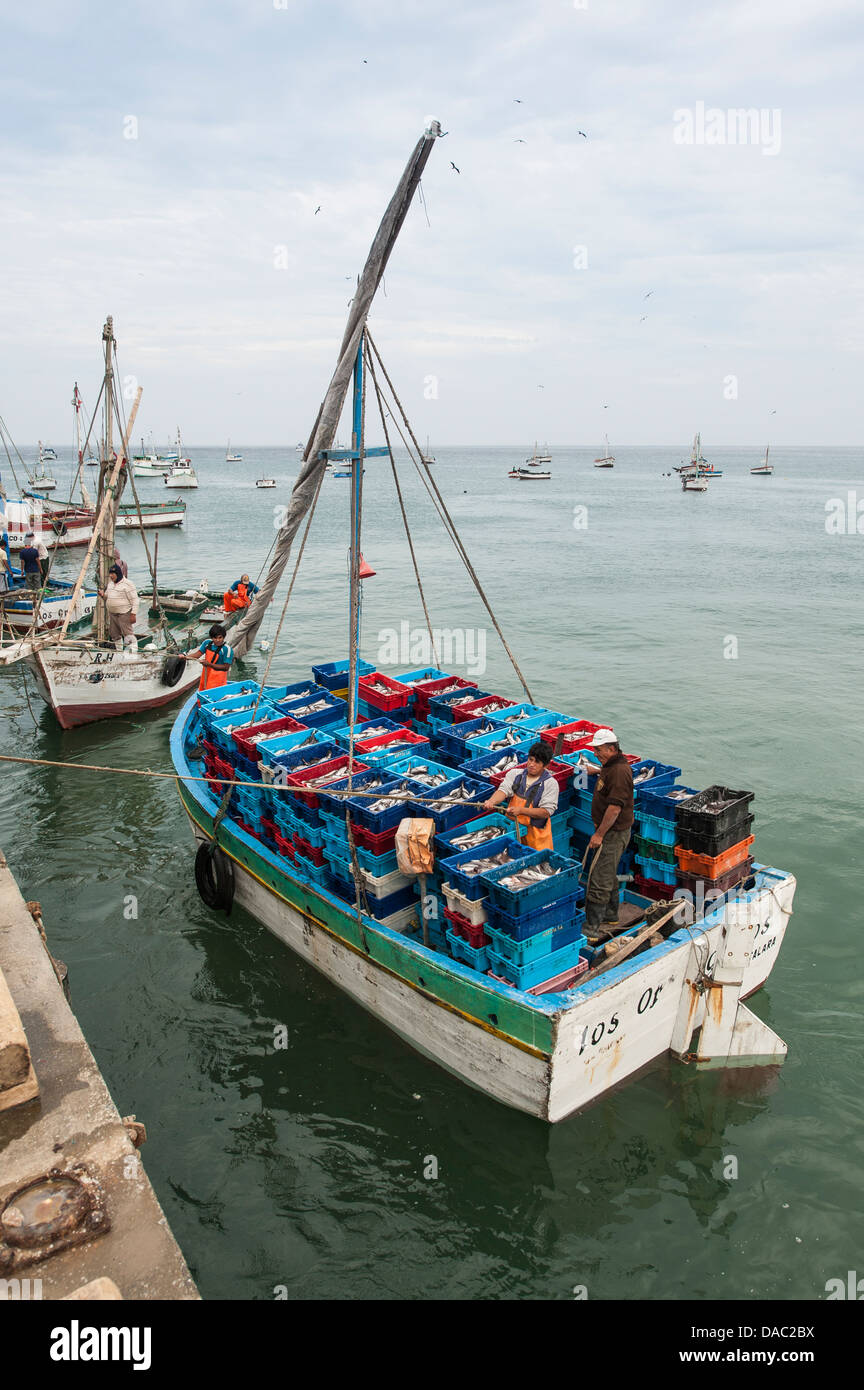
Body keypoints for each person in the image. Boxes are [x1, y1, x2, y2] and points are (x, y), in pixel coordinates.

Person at [583, 728, 634, 938]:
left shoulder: (620, 771)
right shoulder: (610, 766)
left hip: (613, 834)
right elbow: (608, 777)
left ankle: (591, 929)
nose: (596, 753)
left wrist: (599, 835)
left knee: (599, 878)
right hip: (610, 832)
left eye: (599, 750)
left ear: (612, 748)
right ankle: (611, 915)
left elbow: (614, 809)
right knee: (608, 872)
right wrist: (596, 771)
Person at [481, 740, 558, 851]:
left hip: (536, 835)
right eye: (530, 759)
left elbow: (546, 812)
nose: (531, 764)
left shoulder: (551, 784)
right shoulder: (515, 774)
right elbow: (503, 790)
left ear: (546, 765)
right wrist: (492, 801)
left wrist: (521, 811)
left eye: (537, 762)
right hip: (513, 829)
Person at [181, 623, 235, 693]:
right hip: (206, 672)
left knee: (214, 693)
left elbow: (226, 667)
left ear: (223, 637)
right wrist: (185, 657)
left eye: (220, 637)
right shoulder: (207, 643)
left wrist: (209, 664)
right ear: (211, 638)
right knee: (203, 690)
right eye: (215, 638)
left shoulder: (227, 649)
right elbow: (198, 654)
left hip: (218, 677)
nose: (218, 640)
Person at [99, 563, 140, 652]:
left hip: (124, 613)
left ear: (118, 573)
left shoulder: (128, 584)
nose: (111, 576)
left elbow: (135, 600)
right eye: (110, 574)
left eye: (113, 574)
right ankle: (119, 651)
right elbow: (107, 597)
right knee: (115, 634)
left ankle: (133, 653)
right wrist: (103, 595)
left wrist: (133, 614)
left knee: (128, 634)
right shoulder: (110, 584)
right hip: (112, 613)